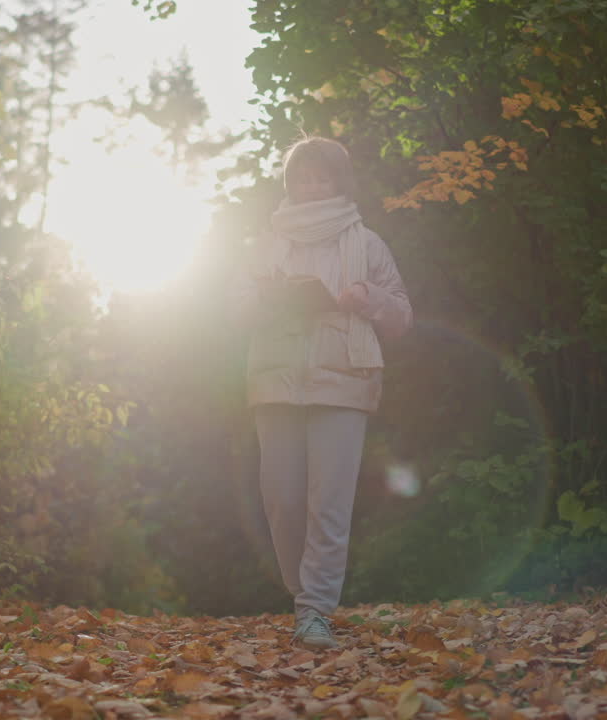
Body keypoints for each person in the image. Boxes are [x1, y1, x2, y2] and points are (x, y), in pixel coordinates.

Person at [235, 136, 413, 649]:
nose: (311, 186)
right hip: (275, 380)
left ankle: (315, 611)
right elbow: (234, 307)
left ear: (339, 182)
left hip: (344, 382)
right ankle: (302, 596)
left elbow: (402, 313)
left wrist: (369, 298)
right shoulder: (264, 245)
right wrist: (268, 302)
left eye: (321, 177)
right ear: (289, 184)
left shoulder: (368, 243)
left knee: (328, 505)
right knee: (281, 502)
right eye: (301, 177)